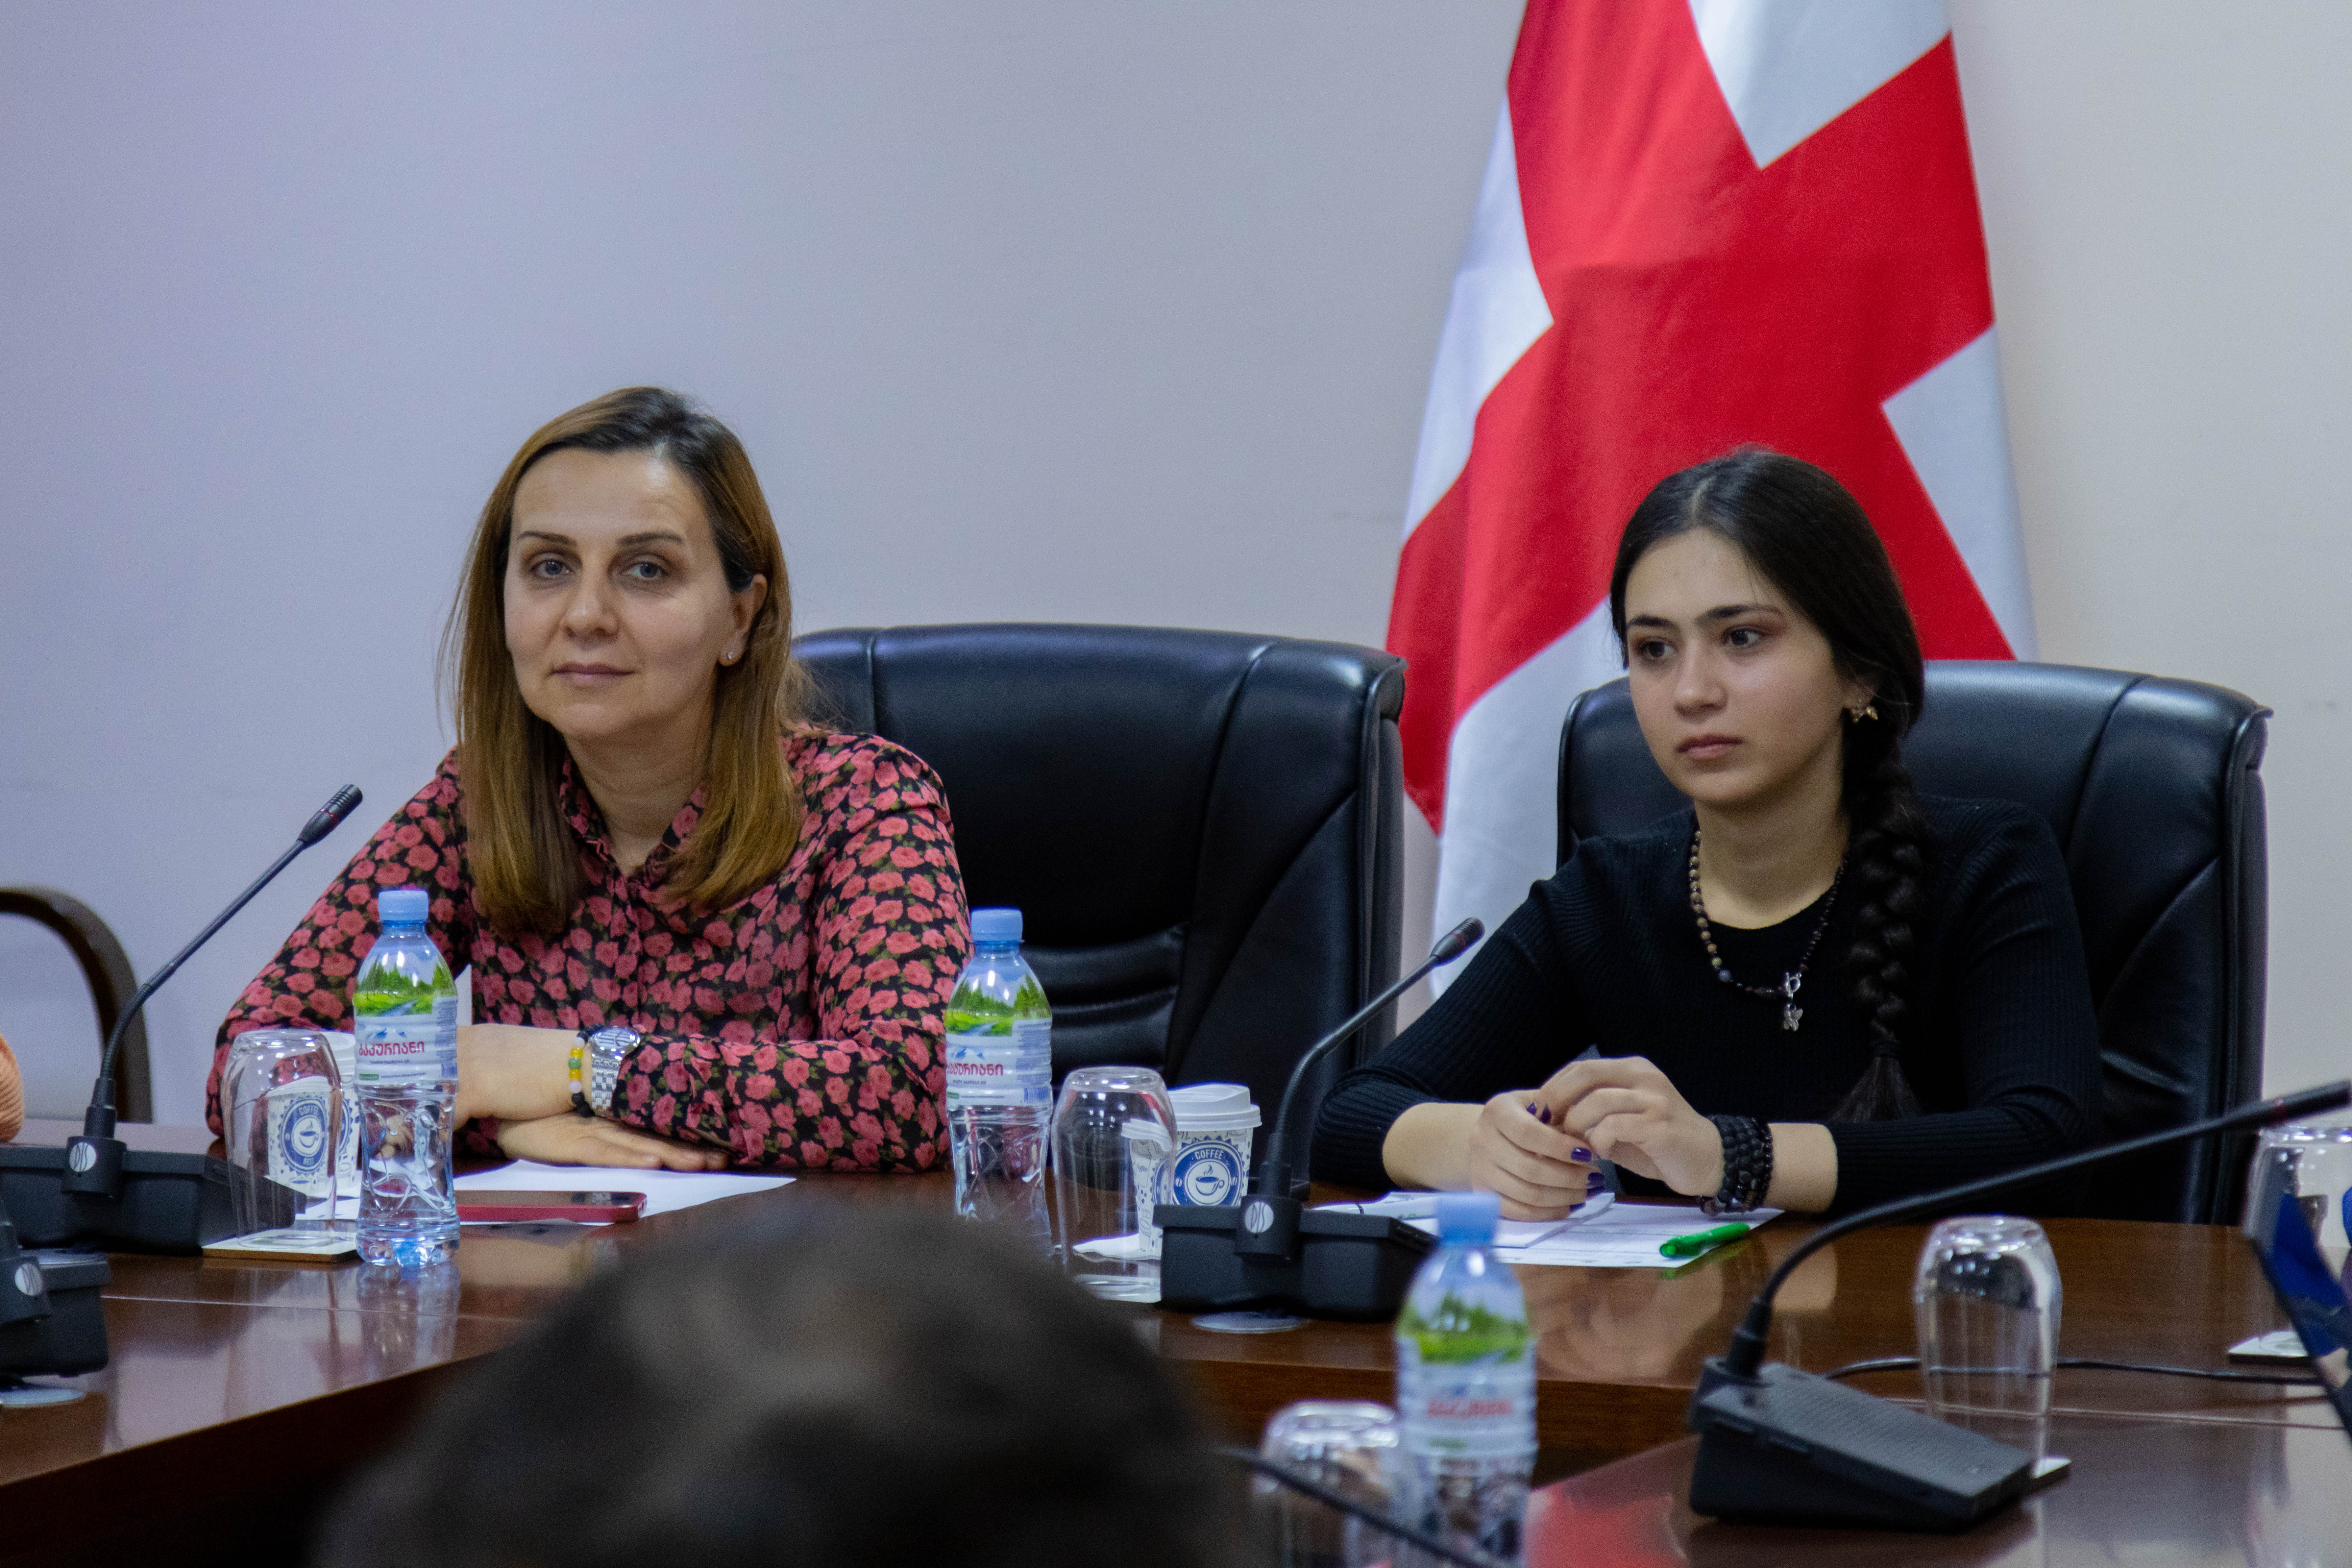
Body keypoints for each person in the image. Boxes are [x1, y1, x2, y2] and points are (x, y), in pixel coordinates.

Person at [1314, 448, 2102, 1218]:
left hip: (1922, 1303)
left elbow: (2045, 1144)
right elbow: (1347, 1112)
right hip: (1674, 1309)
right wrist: (1480, 1147)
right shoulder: (1607, 896)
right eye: (1654, 650)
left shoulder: (1989, 864)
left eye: (1743, 638)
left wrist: (1734, 1155)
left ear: (1860, 671)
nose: (1692, 691)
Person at [209, 388, 969, 1172]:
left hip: (797, 1254)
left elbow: (916, 1090)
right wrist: (493, 1120)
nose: (586, 615)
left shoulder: (864, 801)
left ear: (740, 618)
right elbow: (252, 1064)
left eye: (646, 569)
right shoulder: (478, 802)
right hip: (546, 1254)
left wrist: (574, 1068)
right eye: (550, 566)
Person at [312, 1202, 1234, 1568]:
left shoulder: (861, 827)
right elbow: (274, 1043)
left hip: (813, 1258)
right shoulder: (471, 834)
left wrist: (580, 1074)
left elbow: (897, 1081)